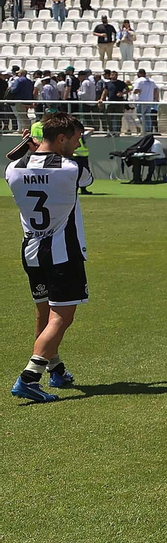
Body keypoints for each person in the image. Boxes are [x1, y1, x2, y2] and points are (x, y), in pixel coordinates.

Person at [7, 114, 93, 402]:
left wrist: (32, 149)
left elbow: (36, 169)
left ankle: (56, 369)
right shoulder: (71, 168)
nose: (77, 144)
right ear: (60, 138)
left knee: (44, 314)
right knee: (61, 318)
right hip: (62, 253)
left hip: (30, 250)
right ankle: (29, 377)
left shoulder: (13, 169)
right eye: (74, 139)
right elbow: (86, 178)